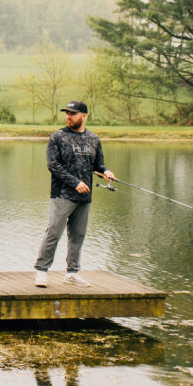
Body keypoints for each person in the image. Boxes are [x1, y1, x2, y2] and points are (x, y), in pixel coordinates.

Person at [34, 101, 115, 288]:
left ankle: (72, 273)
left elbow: (98, 165)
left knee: (78, 236)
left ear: (84, 116)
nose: (68, 117)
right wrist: (75, 182)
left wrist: (107, 172)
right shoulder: (58, 137)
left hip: (84, 198)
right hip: (62, 194)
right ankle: (41, 271)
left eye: (73, 113)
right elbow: (53, 165)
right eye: (67, 113)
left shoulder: (93, 139)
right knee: (53, 232)